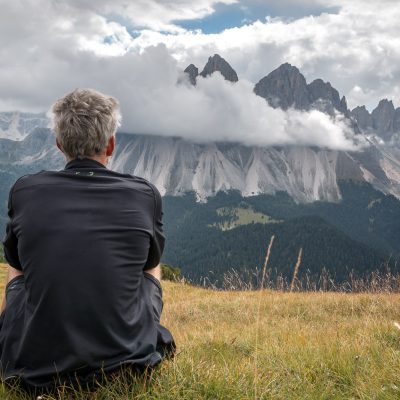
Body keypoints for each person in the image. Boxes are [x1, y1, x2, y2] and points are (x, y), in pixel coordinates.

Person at [0, 89, 176, 393]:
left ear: (59, 144)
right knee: (151, 268)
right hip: (127, 366)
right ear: (110, 143)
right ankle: (128, 341)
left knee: (16, 268)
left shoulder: (24, 190)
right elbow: (148, 265)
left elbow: (18, 267)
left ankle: (12, 339)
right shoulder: (144, 194)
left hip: (33, 370)